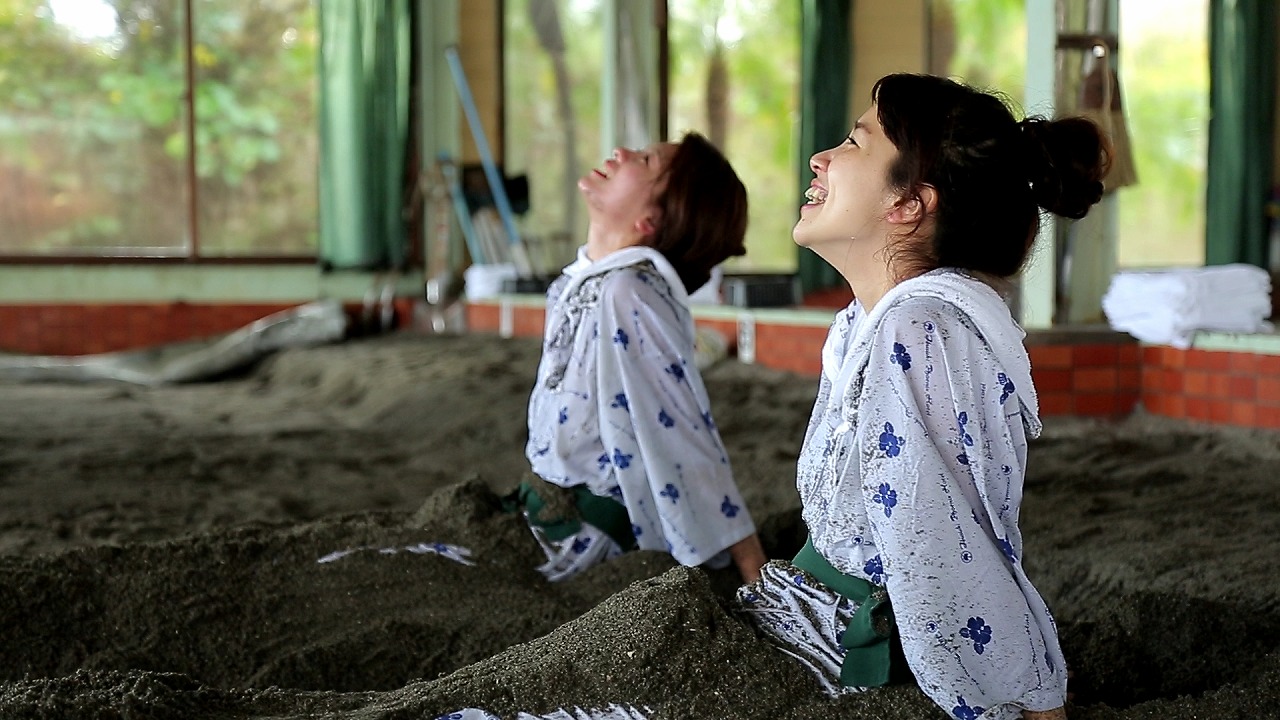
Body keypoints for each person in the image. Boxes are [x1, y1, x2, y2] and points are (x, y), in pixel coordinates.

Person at [735, 73, 1110, 720]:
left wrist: (1023, 696)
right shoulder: (872, 320)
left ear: (909, 203)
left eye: (855, 143)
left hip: (841, 658)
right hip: (801, 619)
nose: (821, 158)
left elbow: (937, 548)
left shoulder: (920, 332)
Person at [513, 132, 768, 584]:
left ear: (651, 220)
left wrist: (752, 567)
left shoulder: (629, 293)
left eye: (646, 160)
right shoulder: (583, 283)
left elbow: (683, 427)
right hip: (540, 503)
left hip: (584, 530)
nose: (621, 152)